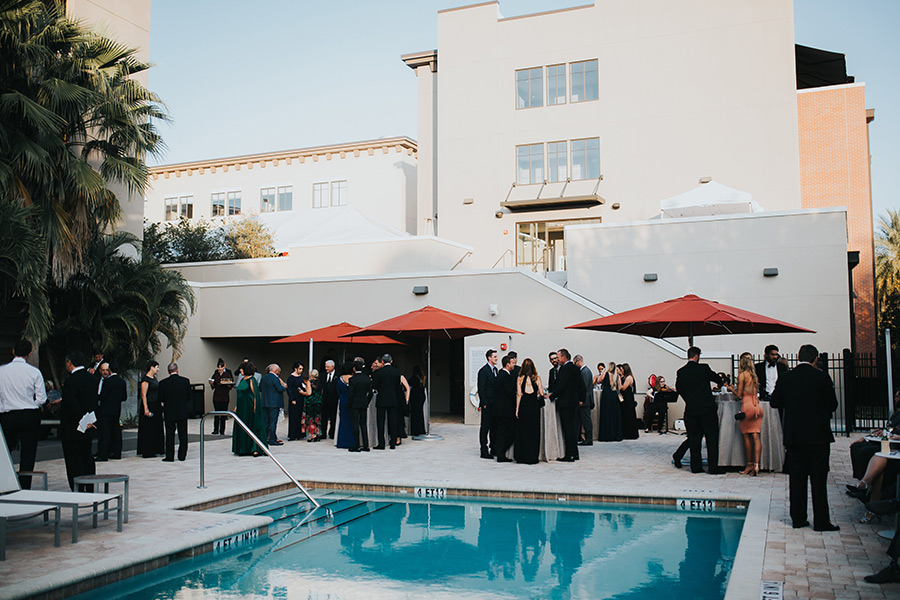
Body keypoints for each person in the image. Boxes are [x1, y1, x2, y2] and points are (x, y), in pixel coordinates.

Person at [770, 344, 839, 531]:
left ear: (799, 357)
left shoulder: (786, 378)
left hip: (794, 436)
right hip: (818, 436)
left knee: (797, 480)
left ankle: (798, 518)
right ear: (815, 359)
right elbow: (833, 404)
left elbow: (775, 402)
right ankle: (821, 521)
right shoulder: (822, 377)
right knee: (818, 481)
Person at [0, 340, 47, 489]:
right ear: (29, 353)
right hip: (28, 414)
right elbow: (41, 398)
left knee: (5, 452)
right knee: (28, 452)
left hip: (7, 414)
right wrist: (32, 405)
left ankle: (5, 483)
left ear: (13, 351)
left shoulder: (2, 371)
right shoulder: (34, 372)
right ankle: (25, 485)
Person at [675, 347, 724, 475]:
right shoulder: (704, 368)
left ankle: (696, 467)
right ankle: (713, 467)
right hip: (707, 408)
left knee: (694, 438)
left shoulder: (681, 372)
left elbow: (679, 389)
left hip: (691, 409)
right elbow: (718, 379)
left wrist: (689, 400)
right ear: (696, 356)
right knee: (711, 437)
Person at [60, 350, 97, 490]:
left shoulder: (70, 381)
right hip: (90, 422)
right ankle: (90, 485)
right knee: (87, 455)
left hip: (73, 426)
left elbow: (72, 404)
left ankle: (78, 487)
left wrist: (81, 419)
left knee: (73, 458)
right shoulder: (93, 379)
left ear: (69, 362)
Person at [550, 348, 583, 462]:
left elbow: (561, 385)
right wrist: (581, 399)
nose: (557, 360)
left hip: (565, 402)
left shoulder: (565, 369)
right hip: (573, 402)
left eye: (558, 357)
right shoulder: (575, 368)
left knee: (567, 429)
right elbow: (581, 385)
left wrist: (551, 396)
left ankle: (569, 455)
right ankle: (575, 453)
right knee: (572, 429)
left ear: (564, 357)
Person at [371, 354, 409, 450]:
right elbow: (397, 387)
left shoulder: (379, 372)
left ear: (382, 362)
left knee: (380, 422)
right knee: (393, 421)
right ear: (391, 361)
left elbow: (374, 385)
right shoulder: (396, 372)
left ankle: (381, 443)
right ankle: (393, 443)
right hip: (393, 399)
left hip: (382, 399)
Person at [735, 352, 763, 476]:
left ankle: (749, 464)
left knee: (746, 436)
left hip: (747, 406)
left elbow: (739, 394)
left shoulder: (742, 375)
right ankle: (757, 465)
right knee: (756, 437)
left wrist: (731, 389)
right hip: (757, 406)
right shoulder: (754, 376)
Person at [158, 362, 192, 462]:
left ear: (168, 371)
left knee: (170, 435)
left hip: (169, 411)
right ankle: (182, 455)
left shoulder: (163, 383)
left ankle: (170, 456)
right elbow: (188, 396)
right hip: (182, 411)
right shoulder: (185, 381)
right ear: (177, 370)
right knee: (183, 434)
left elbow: (160, 398)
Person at [233, 361, 266, 456]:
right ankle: (242, 448)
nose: (240, 370)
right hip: (241, 408)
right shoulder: (242, 380)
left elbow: (255, 396)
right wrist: (236, 406)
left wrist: (255, 410)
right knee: (242, 427)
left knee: (252, 426)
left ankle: (255, 448)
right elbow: (239, 395)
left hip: (249, 408)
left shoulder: (252, 380)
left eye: (242, 368)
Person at [514, 358, 543, 464]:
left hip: (524, 406)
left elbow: (519, 394)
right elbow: (541, 393)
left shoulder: (519, 378)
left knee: (523, 432)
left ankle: (522, 457)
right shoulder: (537, 378)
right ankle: (532, 457)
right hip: (534, 407)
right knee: (534, 432)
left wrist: (517, 409)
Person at [95, 361, 125, 461]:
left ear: (110, 370)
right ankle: (117, 452)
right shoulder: (122, 381)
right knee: (116, 431)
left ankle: (103, 454)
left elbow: (103, 396)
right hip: (116, 409)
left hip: (106, 410)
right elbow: (124, 397)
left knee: (105, 432)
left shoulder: (107, 382)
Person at [136, 360, 164, 458]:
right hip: (149, 405)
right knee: (149, 428)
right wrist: (146, 408)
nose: (158, 369)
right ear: (151, 367)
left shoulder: (154, 378)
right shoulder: (146, 380)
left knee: (156, 427)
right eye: (157, 367)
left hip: (156, 405)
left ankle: (156, 448)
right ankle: (148, 450)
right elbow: (144, 395)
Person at [494, 354, 517, 463]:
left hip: (499, 409)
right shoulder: (505, 376)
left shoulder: (500, 375)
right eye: (512, 363)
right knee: (512, 431)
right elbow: (510, 393)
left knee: (501, 432)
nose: (514, 365)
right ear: (507, 364)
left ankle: (500, 454)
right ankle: (502, 451)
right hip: (506, 410)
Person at [477, 349, 499, 459]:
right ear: (489, 358)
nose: (496, 358)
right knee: (485, 427)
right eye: (494, 356)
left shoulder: (496, 370)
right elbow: (481, 388)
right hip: (487, 404)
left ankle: (493, 447)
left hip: (495, 403)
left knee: (494, 427)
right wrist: (484, 403)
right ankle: (483, 450)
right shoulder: (483, 371)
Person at [348, 358, 372, 452]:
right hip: (363, 403)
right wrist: (367, 401)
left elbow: (351, 394)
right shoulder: (367, 379)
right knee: (363, 424)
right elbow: (370, 393)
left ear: (354, 368)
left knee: (355, 424)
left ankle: (356, 445)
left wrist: (350, 403)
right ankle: (366, 445)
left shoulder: (352, 379)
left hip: (355, 403)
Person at [260, 364, 287, 446]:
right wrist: (284, 386)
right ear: (276, 371)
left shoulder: (264, 378)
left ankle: (264, 438)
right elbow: (279, 388)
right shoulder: (275, 378)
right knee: (273, 422)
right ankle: (272, 439)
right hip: (274, 403)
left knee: (265, 422)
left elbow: (260, 388)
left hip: (265, 402)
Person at [596, 361, 622, 442]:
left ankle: (606, 435)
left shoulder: (606, 374)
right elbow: (620, 387)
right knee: (614, 415)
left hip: (606, 395)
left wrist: (603, 372)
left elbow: (598, 381)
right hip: (614, 395)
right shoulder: (617, 376)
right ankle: (615, 435)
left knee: (606, 414)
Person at [208, 358, 234, 435]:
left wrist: (226, 383)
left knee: (223, 414)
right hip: (217, 396)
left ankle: (222, 430)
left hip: (224, 396)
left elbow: (231, 385)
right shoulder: (215, 374)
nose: (220, 369)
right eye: (218, 367)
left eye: (221, 367)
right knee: (217, 413)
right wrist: (211, 383)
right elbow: (213, 385)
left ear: (224, 367)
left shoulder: (227, 374)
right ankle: (216, 429)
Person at [573, 355, 594, 445]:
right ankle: (584, 438)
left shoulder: (584, 372)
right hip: (586, 400)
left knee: (586, 421)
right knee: (584, 420)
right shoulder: (586, 371)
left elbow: (584, 387)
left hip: (585, 401)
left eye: (575, 363)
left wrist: (581, 399)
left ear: (578, 361)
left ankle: (589, 439)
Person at [335, 362, 355, 449]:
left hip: (343, 401)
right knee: (352, 422)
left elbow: (338, 391)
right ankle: (352, 442)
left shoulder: (340, 379)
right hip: (352, 402)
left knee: (343, 421)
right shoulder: (353, 379)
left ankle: (342, 442)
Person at [618, 363, 639, 440]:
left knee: (629, 415)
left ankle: (631, 433)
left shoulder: (629, 377)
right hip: (625, 398)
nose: (621, 371)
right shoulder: (625, 377)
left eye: (622, 369)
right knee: (625, 415)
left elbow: (623, 388)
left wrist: (618, 382)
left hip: (628, 398)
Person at [286, 362, 306, 441]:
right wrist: (292, 399)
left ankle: (299, 434)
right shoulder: (291, 377)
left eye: (302, 369)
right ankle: (292, 435)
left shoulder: (300, 377)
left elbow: (303, 385)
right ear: (295, 368)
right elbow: (289, 389)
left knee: (299, 416)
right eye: (300, 369)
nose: (301, 371)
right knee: (293, 416)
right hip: (294, 399)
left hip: (300, 398)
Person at [304, 369, 323, 441]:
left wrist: (302, 392)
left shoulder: (309, 382)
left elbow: (309, 392)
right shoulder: (320, 382)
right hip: (319, 402)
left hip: (311, 403)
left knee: (311, 419)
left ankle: (313, 435)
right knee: (318, 418)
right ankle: (318, 433)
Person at [321, 360, 339, 440]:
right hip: (324, 401)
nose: (326, 368)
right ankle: (323, 434)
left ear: (332, 367)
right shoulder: (323, 375)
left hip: (334, 401)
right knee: (323, 418)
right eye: (325, 367)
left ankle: (332, 433)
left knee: (333, 418)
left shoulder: (338, 376)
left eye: (327, 367)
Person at [408, 365, 427, 436]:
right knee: (420, 413)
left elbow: (408, 383)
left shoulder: (414, 378)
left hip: (415, 397)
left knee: (414, 414)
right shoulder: (423, 378)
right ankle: (421, 429)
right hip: (421, 396)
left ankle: (415, 430)